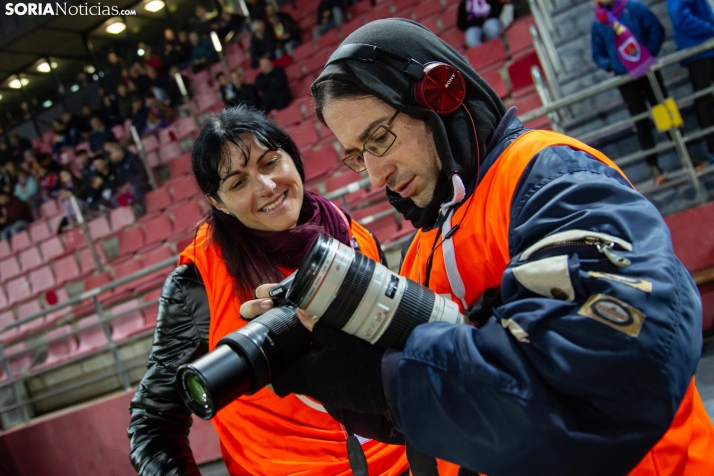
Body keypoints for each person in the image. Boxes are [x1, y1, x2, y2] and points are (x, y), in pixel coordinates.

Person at [240, 19, 714, 476]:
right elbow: (453, 418)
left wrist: (393, 377)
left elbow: (608, 372)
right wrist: (335, 369)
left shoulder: (551, 177)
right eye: (357, 157)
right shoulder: (422, 246)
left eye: (379, 139)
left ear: (441, 93)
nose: (376, 175)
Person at [127, 106, 409, 476]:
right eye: (237, 182)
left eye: (270, 162)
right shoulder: (196, 283)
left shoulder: (355, 237)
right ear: (217, 201)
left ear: (292, 157)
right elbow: (153, 423)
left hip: (402, 459)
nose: (266, 186)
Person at [591, 0, 669, 184]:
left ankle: (686, 153)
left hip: (648, 72)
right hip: (626, 80)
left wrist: (647, 55)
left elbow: (656, 28)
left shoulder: (634, 8)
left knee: (664, 111)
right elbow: (597, 53)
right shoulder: (599, 22)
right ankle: (654, 167)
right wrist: (611, 65)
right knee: (640, 121)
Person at [667, 0, 714, 167]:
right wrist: (710, 30)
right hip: (697, 49)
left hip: (706, 47)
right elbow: (680, 17)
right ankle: (711, 148)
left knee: (705, 98)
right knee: (704, 98)